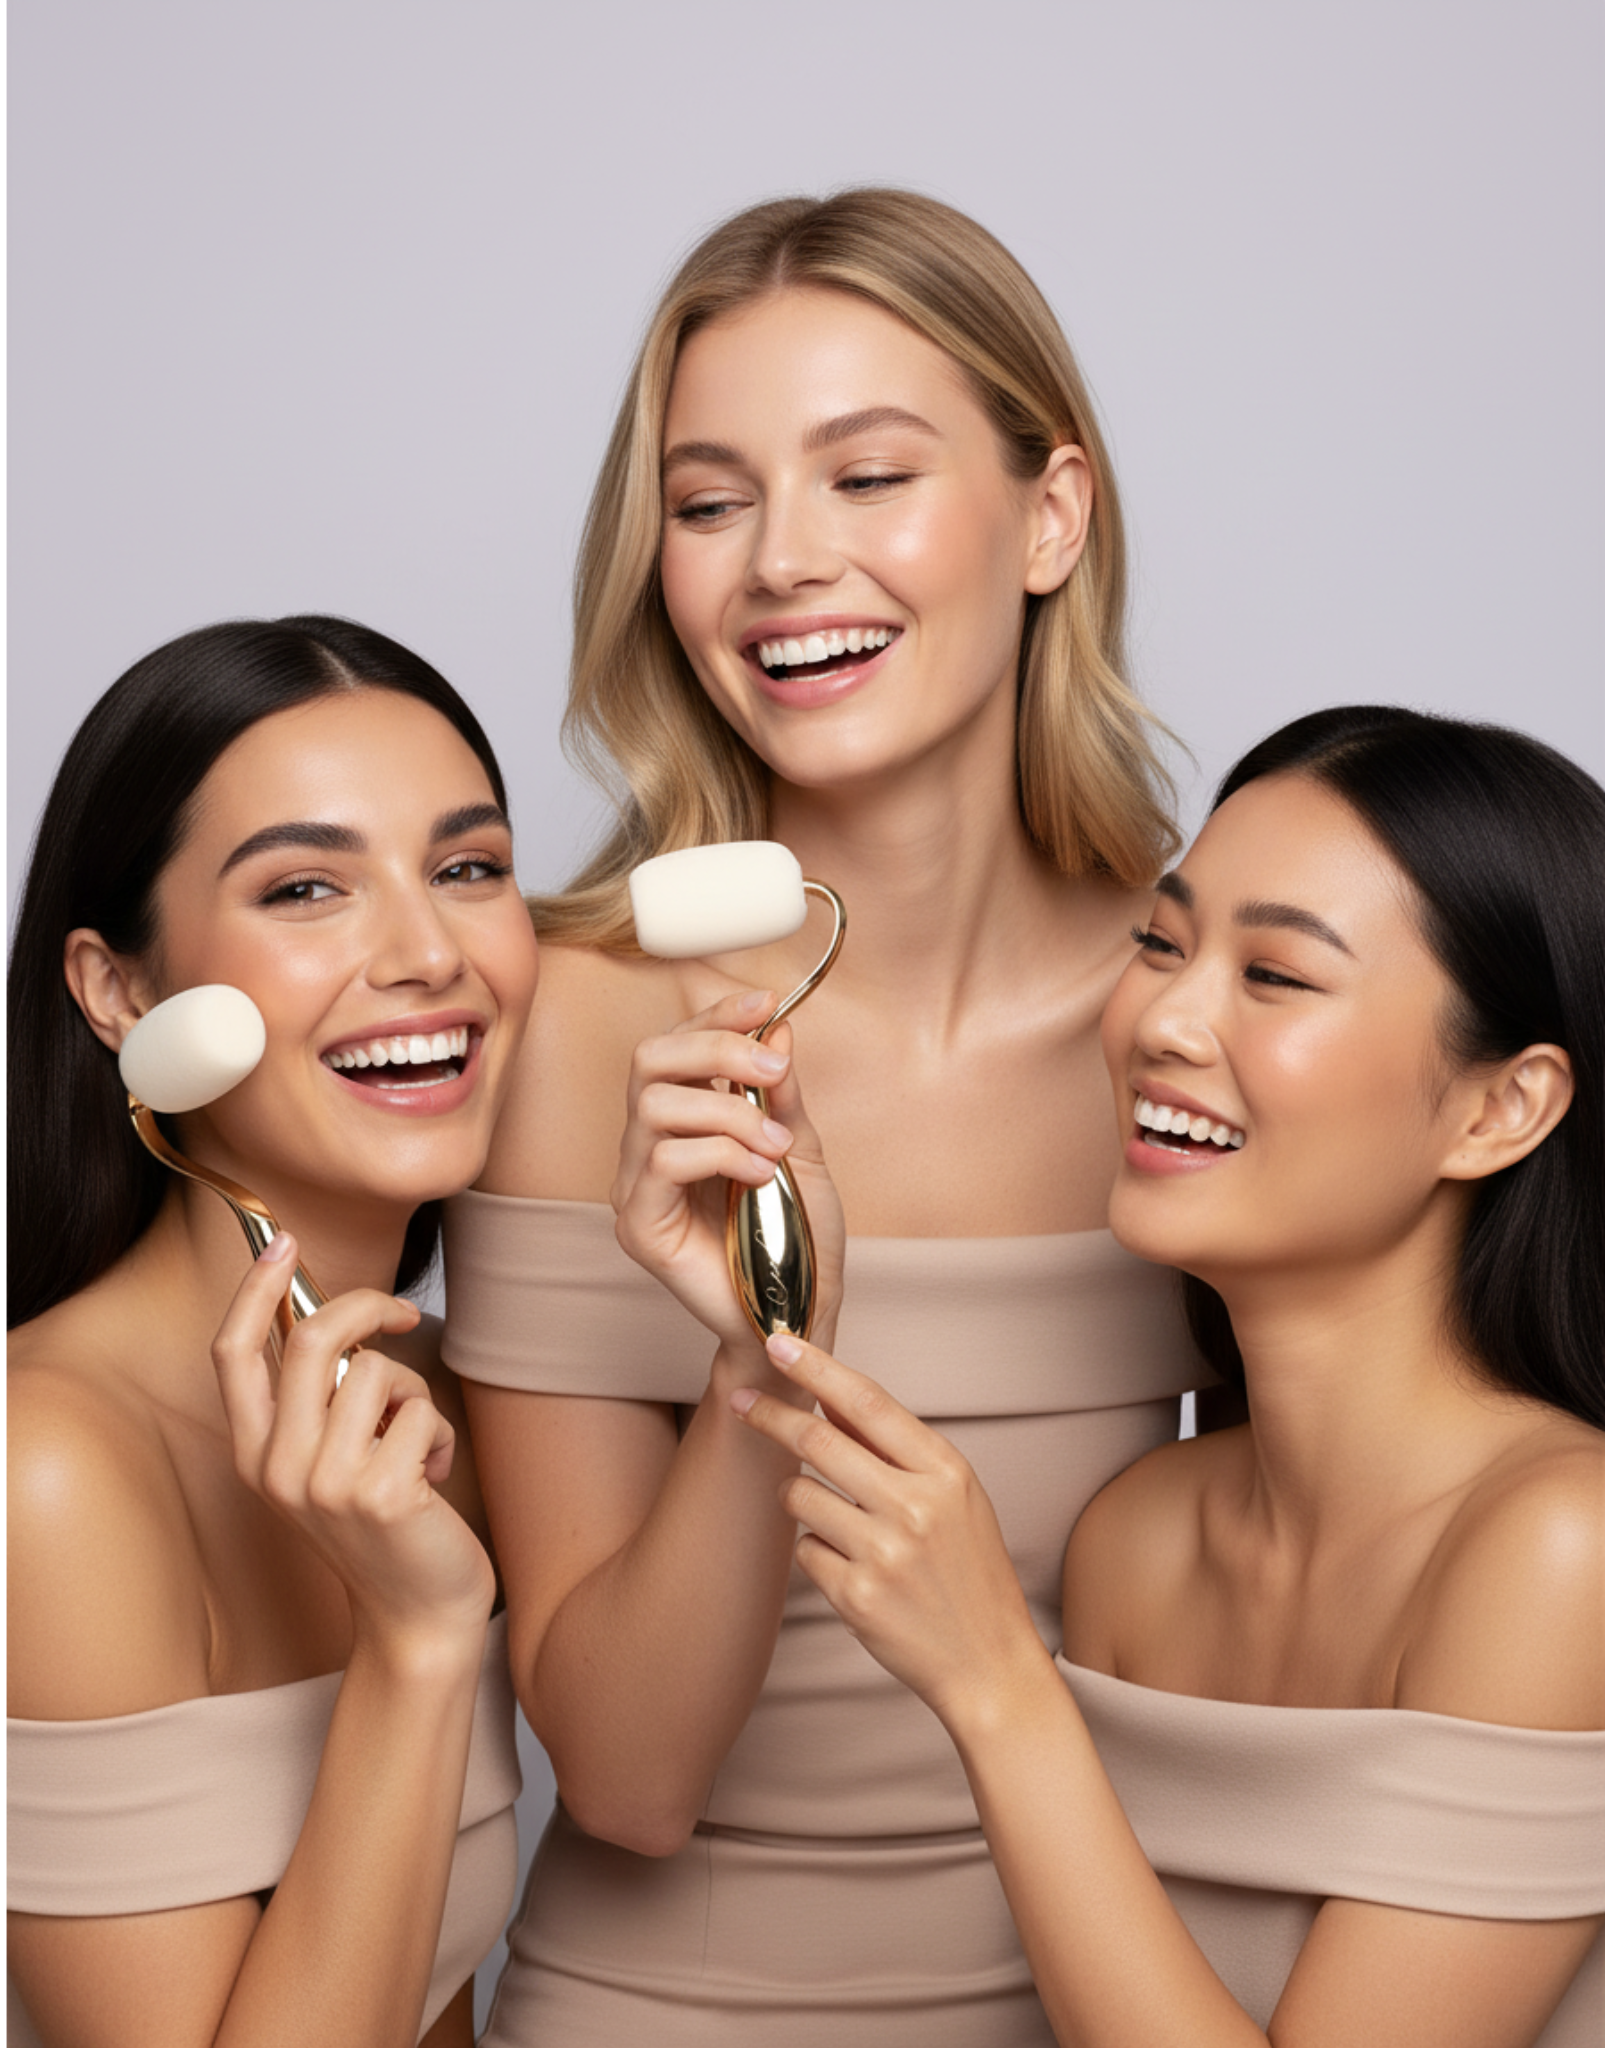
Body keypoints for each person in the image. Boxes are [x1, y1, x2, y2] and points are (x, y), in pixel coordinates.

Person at [442, 188, 1215, 2044]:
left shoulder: (1204, 1018)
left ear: (1052, 515)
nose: (783, 559)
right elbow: (623, 1781)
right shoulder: (573, 1035)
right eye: (709, 504)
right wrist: (760, 1368)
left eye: (866, 477)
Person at [733, 706, 1605, 2048]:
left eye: (1277, 978)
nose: (1166, 1021)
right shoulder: (1139, 1538)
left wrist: (999, 1686)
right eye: (1161, 942)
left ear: (1501, 1109)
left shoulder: (1564, 1548)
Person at [7, 617, 542, 2048]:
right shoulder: (48, 1473)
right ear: (121, 991)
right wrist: (421, 1643)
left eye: (469, 868)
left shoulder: (430, 1404)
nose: (428, 951)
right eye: (306, 888)